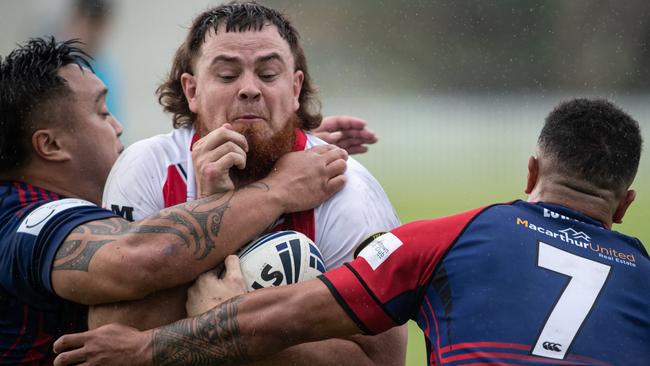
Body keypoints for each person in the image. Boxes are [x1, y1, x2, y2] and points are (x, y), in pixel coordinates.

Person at [54, 98, 650, 366]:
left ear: (531, 171)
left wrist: (145, 350)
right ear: (623, 205)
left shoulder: (448, 237)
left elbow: (282, 317)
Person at [0, 37, 348, 364]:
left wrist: (270, 141)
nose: (118, 126)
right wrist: (279, 188)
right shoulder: (22, 219)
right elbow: (138, 258)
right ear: (51, 145)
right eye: (102, 112)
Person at [95, 2, 407, 364]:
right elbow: (111, 340)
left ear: (294, 89)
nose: (249, 89)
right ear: (192, 91)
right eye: (227, 75)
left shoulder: (347, 190)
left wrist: (239, 326)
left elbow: (380, 359)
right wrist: (209, 209)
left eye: (269, 74)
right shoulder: (146, 171)